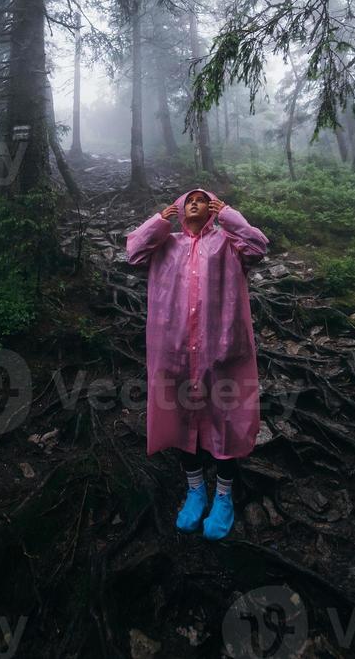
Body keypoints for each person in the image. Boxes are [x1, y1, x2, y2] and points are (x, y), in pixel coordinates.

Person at [126, 187, 269, 539]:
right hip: (172, 349)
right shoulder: (166, 244)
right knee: (178, 419)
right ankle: (194, 492)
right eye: (188, 199)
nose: (194, 202)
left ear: (212, 209)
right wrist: (159, 221)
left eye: (202, 199)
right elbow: (133, 253)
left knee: (226, 422)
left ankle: (223, 498)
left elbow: (259, 247)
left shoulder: (227, 244)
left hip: (221, 350)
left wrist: (229, 216)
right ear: (179, 207)